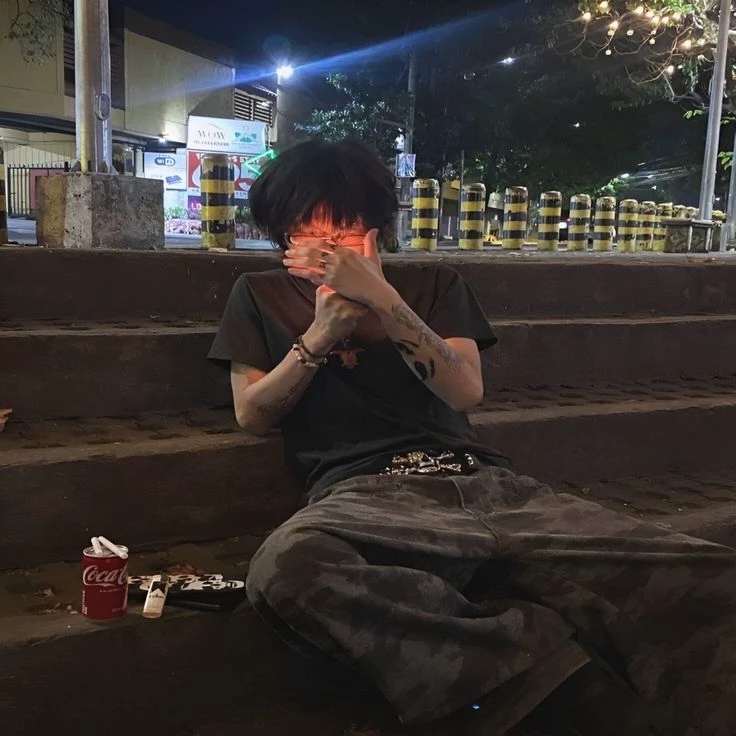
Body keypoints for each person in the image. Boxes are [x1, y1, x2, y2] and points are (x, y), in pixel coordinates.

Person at [208, 139, 736, 736]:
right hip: (365, 496)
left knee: (709, 575)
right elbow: (253, 414)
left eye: (346, 229)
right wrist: (319, 335)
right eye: (309, 230)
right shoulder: (259, 294)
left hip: (487, 485)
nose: (329, 246)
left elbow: (464, 391)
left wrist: (384, 299)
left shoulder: (434, 284)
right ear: (282, 235)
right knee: (289, 568)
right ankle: (561, 682)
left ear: (376, 229)